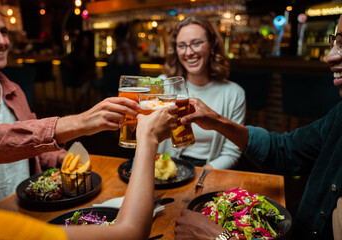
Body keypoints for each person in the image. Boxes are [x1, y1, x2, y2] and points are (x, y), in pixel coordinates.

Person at [174, 14, 342, 240]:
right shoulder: (339, 116)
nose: (328, 56)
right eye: (335, 43)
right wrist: (218, 121)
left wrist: (220, 237)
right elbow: (285, 150)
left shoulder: (232, 92)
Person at [0, 1, 137, 205]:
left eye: (4, 31)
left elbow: (31, 149)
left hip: (30, 205)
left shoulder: (14, 91)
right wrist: (81, 122)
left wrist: (64, 158)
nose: (1, 41)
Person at [0, 106, 179, 240]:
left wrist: (62, 154)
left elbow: (20, 146)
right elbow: (131, 232)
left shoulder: (11, 87)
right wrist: (148, 138)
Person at [157, 15, 246, 169]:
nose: (189, 52)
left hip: (209, 170)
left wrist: (201, 176)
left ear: (212, 46)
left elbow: (231, 153)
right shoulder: (163, 84)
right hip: (167, 167)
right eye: (182, 46)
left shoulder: (233, 93)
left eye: (197, 43)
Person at [103, 22, 140, 98]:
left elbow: (109, 72)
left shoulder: (116, 53)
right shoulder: (134, 52)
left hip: (116, 89)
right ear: (127, 36)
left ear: (117, 37)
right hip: (134, 88)